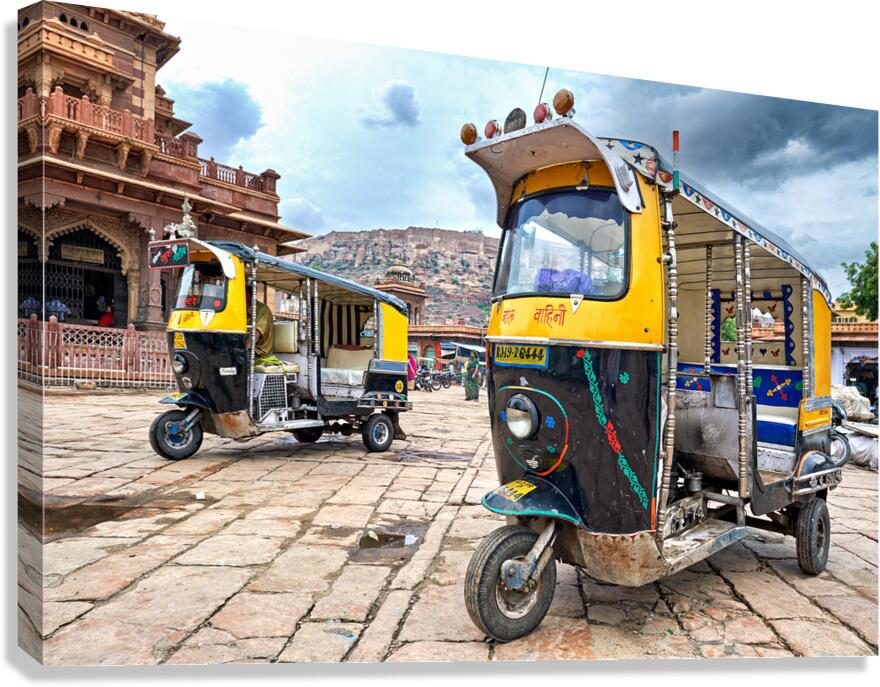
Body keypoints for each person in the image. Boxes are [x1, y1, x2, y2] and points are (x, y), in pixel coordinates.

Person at [246, 286, 275, 362]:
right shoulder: (244, 310)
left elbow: (254, 337)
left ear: (248, 295)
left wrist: (241, 351)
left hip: (259, 353)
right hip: (250, 349)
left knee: (237, 360)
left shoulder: (262, 310)